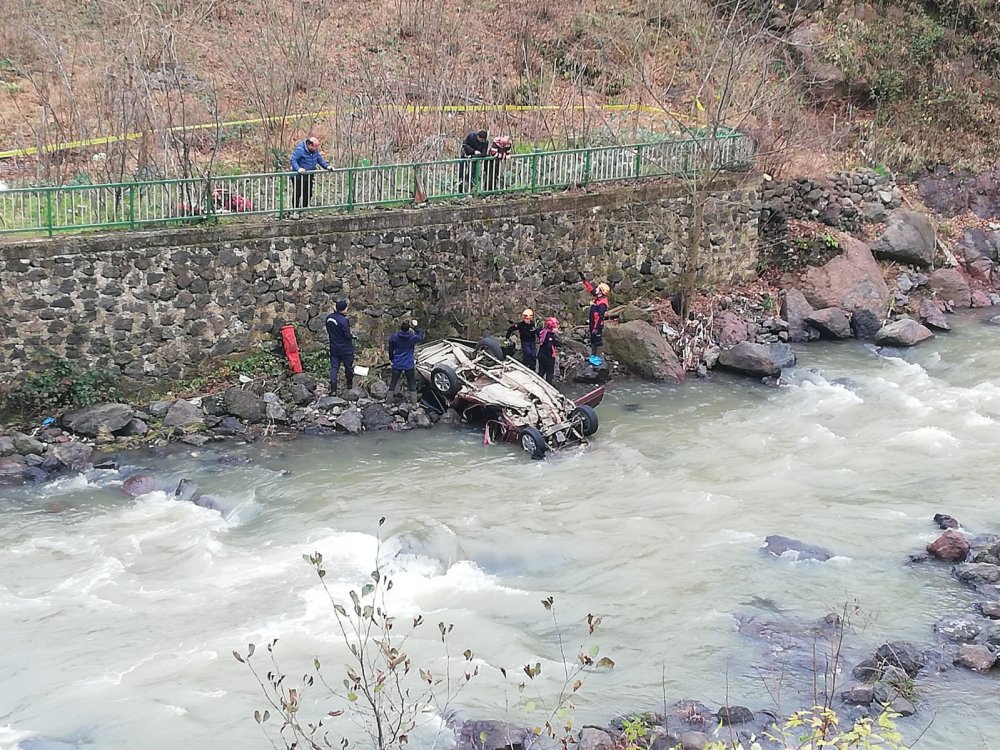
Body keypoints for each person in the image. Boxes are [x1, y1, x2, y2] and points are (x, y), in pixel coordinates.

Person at [289, 137, 333, 215]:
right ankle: (295, 209)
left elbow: (320, 160)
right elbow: (293, 160)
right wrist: (298, 168)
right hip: (298, 175)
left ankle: (304, 209)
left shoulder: (315, 152)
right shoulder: (300, 150)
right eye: (315, 147)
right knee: (297, 192)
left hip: (309, 174)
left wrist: (327, 166)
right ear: (309, 145)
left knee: (308, 192)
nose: (316, 149)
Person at [387, 319, 425, 403]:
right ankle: (414, 404)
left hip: (397, 363)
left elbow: (390, 349)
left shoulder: (394, 337)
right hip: (408, 364)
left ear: (401, 328)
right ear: (409, 328)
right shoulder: (412, 338)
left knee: (393, 382)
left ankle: (388, 402)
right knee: (412, 383)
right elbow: (421, 336)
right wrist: (416, 326)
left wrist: (391, 359)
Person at [325, 299, 355, 393]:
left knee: (334, 367)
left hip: (334, 346)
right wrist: (352, 337)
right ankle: (349, 385)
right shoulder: (343, 320)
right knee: (348, 367)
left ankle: (333, 388)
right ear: (344, 309)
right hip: (345, 348)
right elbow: (346, 335)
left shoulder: (329, 318)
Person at [579, 272, 610, 358]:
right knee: (592, 339)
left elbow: (600, 317)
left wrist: (596, 328)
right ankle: (593, 355)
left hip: (597, 325)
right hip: (593, 322)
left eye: (598, 289)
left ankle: (598, 357)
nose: (596, 289)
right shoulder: (598, 296)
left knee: (598, 340)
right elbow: (590, 289)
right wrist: (584, 280)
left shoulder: (602, 304)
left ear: (602, 292)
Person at [536, 316, 560, 384]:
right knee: (549, 373)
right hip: (548, 357)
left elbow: (537, 331)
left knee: (541, 371)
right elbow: (549, 346)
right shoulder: (550, 336)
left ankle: (538, 384)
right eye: (555, 327)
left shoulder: (543, 332)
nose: (557, 329)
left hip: (541, 355)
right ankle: (548, 386)